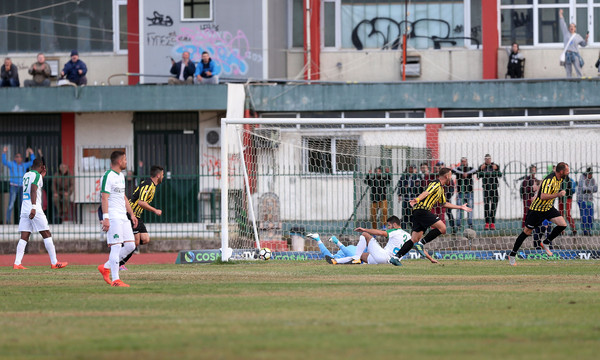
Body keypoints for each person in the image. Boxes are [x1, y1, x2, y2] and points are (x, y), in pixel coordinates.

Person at [392, 168, 472, 264]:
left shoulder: (441, 188)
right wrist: (416, 200)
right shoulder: (435, 184)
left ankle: (396, 257)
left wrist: (460, 207)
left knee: (414, 240)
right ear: (446, 176)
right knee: (442, 228)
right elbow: (426, 192)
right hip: (422, 210)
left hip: (419, 212)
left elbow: (443, 203)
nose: (451, 178)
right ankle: (421, 244)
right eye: (450, 176)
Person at [508, 162, 571, 266]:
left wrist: (536, 193)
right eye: (567, 171)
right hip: (537, 210)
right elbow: (543, 196)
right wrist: (558, 194)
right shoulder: (550, 180)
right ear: (561, 171)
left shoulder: (560, 178)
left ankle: (546, 242)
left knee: (562, 224)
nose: (568, 172)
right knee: (527, 232)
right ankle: (512, 254)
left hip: (548, 208)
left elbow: (541, 183)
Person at [13, 158, 68, 269]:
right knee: (46, 233)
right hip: (34, 208)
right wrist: (33, 207)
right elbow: (33, 190)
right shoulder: (36, 176)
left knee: (24, 236)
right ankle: (54, 262)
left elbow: (32, 186)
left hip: (24, 208)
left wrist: (41, 176)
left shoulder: (26, 175)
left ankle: (17, 263)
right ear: (42, 166)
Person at [97, 151, 138, 287]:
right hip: (113, 216)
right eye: (125, 160)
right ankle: (116, 279)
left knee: (131, 245)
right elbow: (104, 197)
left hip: (123, 216)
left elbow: (123, 196)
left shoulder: (121, 176)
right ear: (120, 161)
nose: (126, 162)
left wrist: (131, 214)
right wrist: (106, 218)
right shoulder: (108, 176)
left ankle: (106, 267)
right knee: (116, 247)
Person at [326, 215, 437, 265]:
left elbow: (380, 232)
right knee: (362, 256)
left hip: (383, 256)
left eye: (389, 225)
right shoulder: (409, 237)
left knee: (365, 234)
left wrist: (365, 229)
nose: (388, 227)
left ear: (394, 224)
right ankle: (336, 261)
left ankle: (355, 258)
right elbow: (419, 248)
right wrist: (430, 259)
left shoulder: (394, 231)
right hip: (391, 262)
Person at [118, 165, 165, 269]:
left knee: (145, 239)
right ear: (158, 175)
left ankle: (123, 245)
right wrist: (155, 210)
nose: (163, 176)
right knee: (135, 242)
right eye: (162, 174)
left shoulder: (151, 185)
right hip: (131, 214)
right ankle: (119, 263)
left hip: (137, 215)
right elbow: (141, 202)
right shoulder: (148, 185)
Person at [2, 147, 37, 224]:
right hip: (13, 186)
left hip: (22, 187)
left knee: (23, 204)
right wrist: (4, 152)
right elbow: (4, 161)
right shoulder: (11, 164)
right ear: (15, 158)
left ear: (21, 158)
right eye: (17, 157)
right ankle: (8, 221)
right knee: (11, 203)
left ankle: (23, 221)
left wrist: (32, 153)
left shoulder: (24, 165)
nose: (19, 158)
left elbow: (33, 162)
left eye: (20, 157)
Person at [559, 9, 588, 78]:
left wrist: (586, 39)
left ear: (575, 28)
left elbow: (584, 44)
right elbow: (563, 24)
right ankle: (569, 85)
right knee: (568, 72)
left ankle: (580, 84)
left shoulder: (577, 36)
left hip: (575, 54)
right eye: (570, 26)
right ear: (569, 28)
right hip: (567, 55)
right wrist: (560, 14)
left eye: (573, 26)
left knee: (578, 70)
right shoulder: (566, 33)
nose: (571, 27)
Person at [478, 154, 502, 230]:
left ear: (491, 159)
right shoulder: (482, 166)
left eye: (489, 159)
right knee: (486, 206)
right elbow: (478, 176)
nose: (488, 160)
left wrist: (496, 169)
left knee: (494, 206)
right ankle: (487, 223)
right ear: (484, 159)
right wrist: (481, 169)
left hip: (494, 188)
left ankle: (492, 223)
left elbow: (500, 175)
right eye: (486, 159)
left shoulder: (495, 166)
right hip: (486, 189)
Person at [452, 157, 476, 229]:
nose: (464, 163)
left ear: (467, 162)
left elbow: (475, 170)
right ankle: (459, 225)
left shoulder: (470, 169)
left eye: (465, 161)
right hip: (460, 192)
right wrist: (463, 173)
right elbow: (453, 170)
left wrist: (467, 173)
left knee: (470, 208)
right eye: (462, 161)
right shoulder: (458, 169)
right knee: (459, 208)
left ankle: (470, 224)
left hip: (469, 191)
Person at [397, 165, 420, 229]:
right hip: (406, 198)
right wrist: (399, 194)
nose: (410, 170)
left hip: (414, 199)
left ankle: (414, 228)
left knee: (413, 215)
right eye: (409, 169)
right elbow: (400, 186)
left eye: (412, 169)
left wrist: (409, 187)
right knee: (405, 214)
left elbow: (418, 187)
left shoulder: (417, 177)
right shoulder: (404, 177)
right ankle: (404, 229)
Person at [577, 167, 597, 236]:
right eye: (589, 174)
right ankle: (584, 231)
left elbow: (596, 189)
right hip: (581, 199)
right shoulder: (582, 178)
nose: (590, 175)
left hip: (590, 200)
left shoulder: (593, 179)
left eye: (591, 174)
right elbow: (583, 188)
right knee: (584, 216)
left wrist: (589, 189)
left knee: (590, 216)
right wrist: (590, 189)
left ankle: (589, 230)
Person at [558, 171, 576, 235]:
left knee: (567, 214)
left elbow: (571, 190)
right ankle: (562, 230)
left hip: (568, 198)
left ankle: (573, 229)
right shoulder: (559, 180)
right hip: (561, 198)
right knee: (561, 214)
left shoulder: (569, 180)